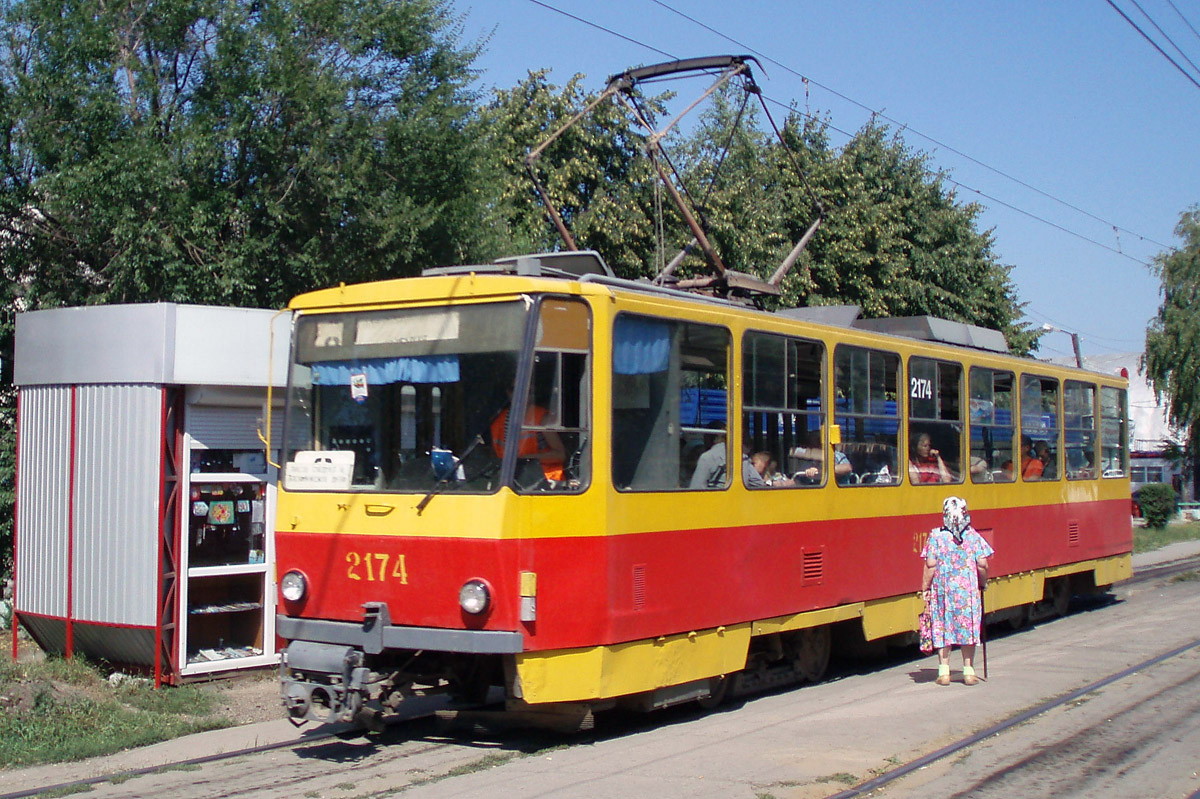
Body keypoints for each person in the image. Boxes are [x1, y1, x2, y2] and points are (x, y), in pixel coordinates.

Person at [920, 496, 993, 686]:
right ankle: (968, 672)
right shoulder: (972, 536)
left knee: (943, 628)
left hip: (944, 592)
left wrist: (925, 588)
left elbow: (930, 565)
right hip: (967, 593)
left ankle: (944, 672)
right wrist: (982, 583)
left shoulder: (936, 536)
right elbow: (983, 563)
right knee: (967, 628)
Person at [491, 388, 566, 482]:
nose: (524, 395)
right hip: (508, 478)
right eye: (516, 390)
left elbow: (560, 455)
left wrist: (525, 459)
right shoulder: (498, 420)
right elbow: (491, 455)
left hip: (546, 481)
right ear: (509, 393)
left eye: (529, 391)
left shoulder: (542, 418)